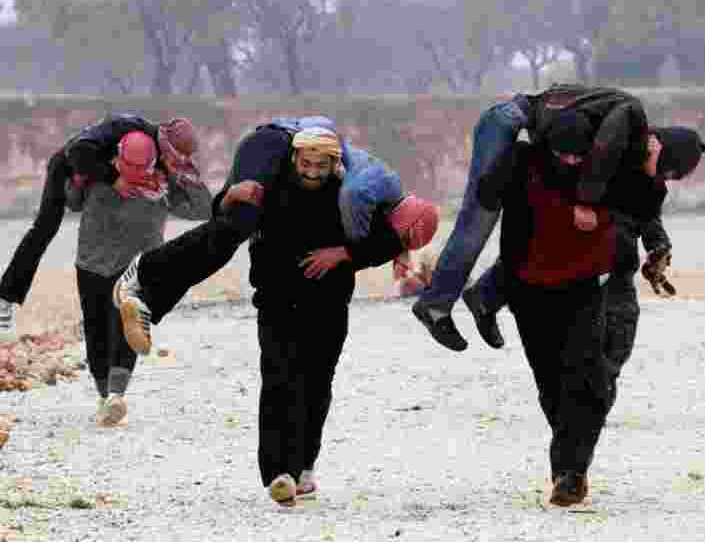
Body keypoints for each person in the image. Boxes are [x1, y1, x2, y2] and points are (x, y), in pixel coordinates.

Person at [220, 128, 439, 506]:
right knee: (277, 382)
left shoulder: (351, 195)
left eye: (321, 165)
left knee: (315, 384)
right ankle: (278, 473)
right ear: (294, 160)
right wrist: (229, 196)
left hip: (328, 305)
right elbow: (223, 215)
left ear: (335, 163)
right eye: (306, 163)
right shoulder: (270, 185)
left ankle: (304, 466)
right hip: (275, 302)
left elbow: (390, 239)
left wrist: (344, 254)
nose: (312, 171)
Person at [414, 82, 704, 351]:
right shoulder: (626, 120)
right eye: (666, 171)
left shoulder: (630, 158)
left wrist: (657, 244)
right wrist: (584, 203)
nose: (663, 178)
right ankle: (436, 305)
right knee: (479, 220)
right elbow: (604, 148)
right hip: (510, 122)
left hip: (541, 145)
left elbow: (642, 205)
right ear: (657, 146)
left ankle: (485, 298)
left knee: (547, 232)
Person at [477, 111, 667, 506]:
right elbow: (485, 195)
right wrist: (499, 159)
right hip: (527, 289)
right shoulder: (523, 162)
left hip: (582, 289)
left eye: (579, 156)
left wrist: (649, 165)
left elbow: (645, 206)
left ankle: (571, 473)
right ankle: (568, 467)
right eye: (563, 156)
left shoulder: (606, 167)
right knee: (552, 384)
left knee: (592, 383)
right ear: (547, 147)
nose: (571, 163)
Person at [112, 117, 410, 355]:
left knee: (229, 229)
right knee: (240, 220)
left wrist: (399, 249)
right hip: (271, 142)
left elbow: (390, 228)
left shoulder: (368, 182)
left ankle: (148, 304)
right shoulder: (360, 182)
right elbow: (391, 226)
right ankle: (145, 267)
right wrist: (396, 249)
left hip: (286, 158)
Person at [0, 114, 198, 343]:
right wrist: (114, 179)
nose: (171, 162)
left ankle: (106, 311)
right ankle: (6, 296)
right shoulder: (125, 126)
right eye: (172, 157)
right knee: (44, 229)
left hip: (99, 184)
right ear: (164, 141)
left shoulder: (160, 152)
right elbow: (77, 152)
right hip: (69, 167)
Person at [67, 131, 211, 426]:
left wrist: (184, 174)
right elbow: (72, 200)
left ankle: (116, 395)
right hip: (93, 264)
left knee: (127, 325)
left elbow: (202, 209)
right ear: (117, 159)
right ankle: (105, 396)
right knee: (95, 329)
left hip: (137, 267)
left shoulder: (161, 183)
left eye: (141, 169)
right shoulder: (99, 173)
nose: (135, 175)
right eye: (128, 168)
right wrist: (81, 179)